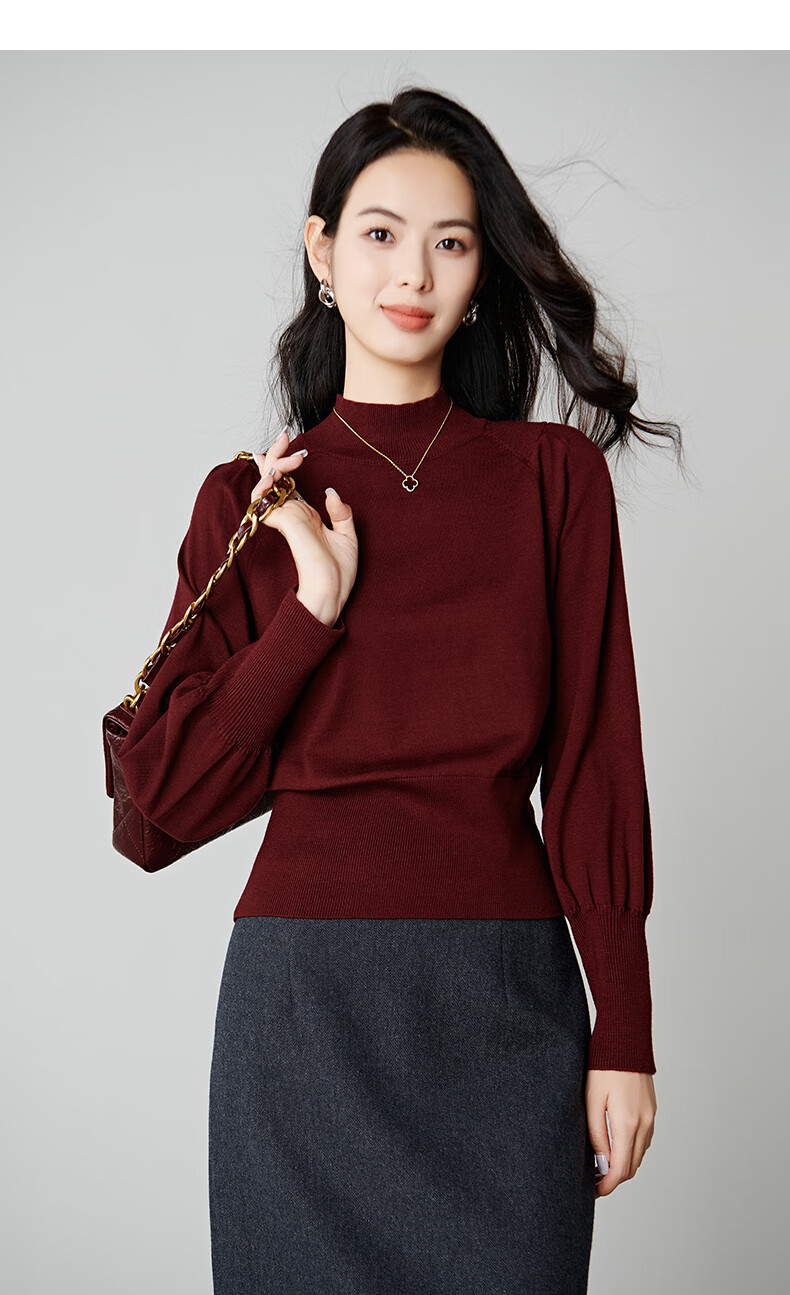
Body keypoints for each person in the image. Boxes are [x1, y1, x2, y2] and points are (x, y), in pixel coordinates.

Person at [117, 86, 683, 1294]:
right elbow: (155, 809)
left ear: (482, 271)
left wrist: (624, 1029)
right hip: (305, 1013)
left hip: (505, 1003)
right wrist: (309, 612)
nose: (412, 272)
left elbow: (595, 761)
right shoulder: (254, 500)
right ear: (321, 252)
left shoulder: (552, 480)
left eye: (450, 241)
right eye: (379, 233)